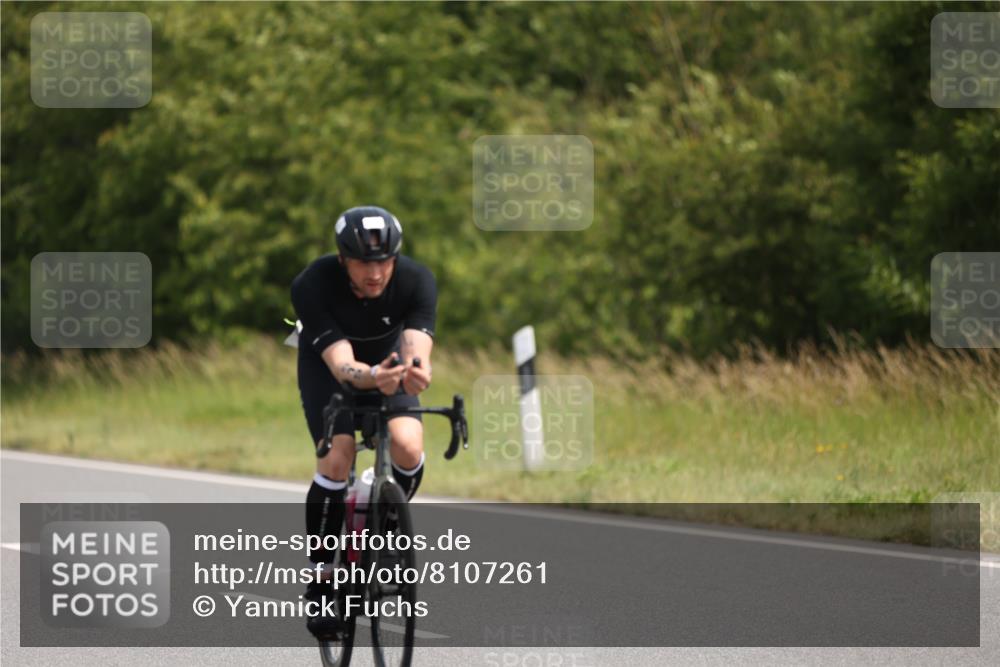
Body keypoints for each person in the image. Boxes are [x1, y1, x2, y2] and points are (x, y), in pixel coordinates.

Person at [290, 205, 436, 639]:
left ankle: (386, 519)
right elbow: (342, 365)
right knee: (338, 455)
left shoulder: (416, 280)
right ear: (342, 259)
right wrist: (373, 378)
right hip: (329, 369)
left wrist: (416, 371)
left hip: (388, 363)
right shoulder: (312, 285)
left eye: (384, 261)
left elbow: (417, 347)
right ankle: (321, 577)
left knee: (408, 444)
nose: (376, 273)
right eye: (364, 262)